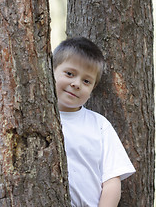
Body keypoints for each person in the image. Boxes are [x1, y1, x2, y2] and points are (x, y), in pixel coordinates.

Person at [53, 37, 136, 207]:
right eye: (69, 74)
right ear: (50, 71)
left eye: (86, 81)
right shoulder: (33, 121)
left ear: (92, 89)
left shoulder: (99, 125)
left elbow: (112, 179)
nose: (76, 84)